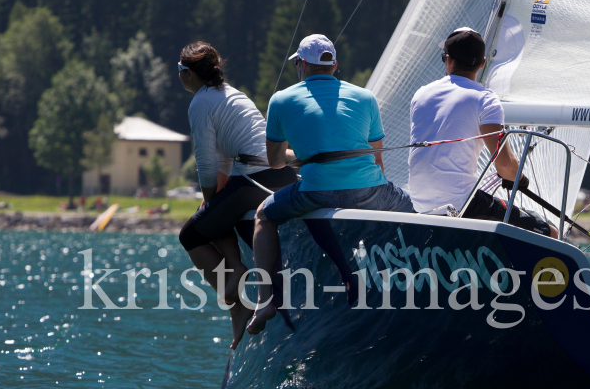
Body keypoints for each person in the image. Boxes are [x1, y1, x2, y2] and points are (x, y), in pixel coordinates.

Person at [247, 34, 413, 334]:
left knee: (263, 215)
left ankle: (264, 300)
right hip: (368, 189)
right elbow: (377, 160)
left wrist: (307, 156)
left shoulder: (281, 100)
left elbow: (275, 162)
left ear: (301, 65)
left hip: (315, 192)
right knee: (408, 207)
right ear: (335, 65)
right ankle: (409, 279)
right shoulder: (365, 97)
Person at [176, 41, 297, 348]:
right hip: (281, 175)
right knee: (215, 207)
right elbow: (225, 159)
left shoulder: (200, 102)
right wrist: (212, 199)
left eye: (179, 70)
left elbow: (205, 162)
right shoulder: (231, 93)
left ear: (189, 73)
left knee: (190, 235)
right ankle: (237, 269)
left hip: (257, 178)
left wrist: (209, 197)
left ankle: (237, 304)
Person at [407, 27, 554, 237]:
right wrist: (519, 178)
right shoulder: (485, 99)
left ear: (448, 60)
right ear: (482, 63)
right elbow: (503, 164)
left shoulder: (421, 94)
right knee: (549, 232)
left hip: (420, 203)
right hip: (462, 204)